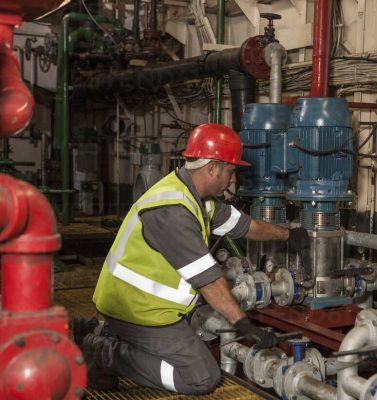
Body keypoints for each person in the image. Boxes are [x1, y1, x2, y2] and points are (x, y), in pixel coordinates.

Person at [73, 123, 310, 394]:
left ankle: (97, 329)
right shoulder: (172, 210)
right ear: (212, 168)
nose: (233, 180)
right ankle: (104, 351)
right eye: (231, 171)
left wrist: (287, 236)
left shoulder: (198, 198)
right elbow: (208, 280)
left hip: (146, 307)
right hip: (137, 310)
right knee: (200, 378)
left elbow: (244, 226)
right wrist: (243, 324)